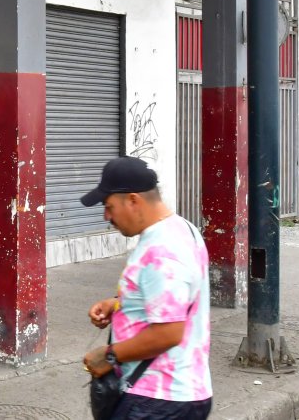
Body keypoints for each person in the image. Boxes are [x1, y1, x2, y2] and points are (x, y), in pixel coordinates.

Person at [80, 157, 212, 419]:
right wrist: (119, 303)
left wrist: (108, 356)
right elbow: (171, 299)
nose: (107, 217)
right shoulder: (181, 228)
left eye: (109, 207)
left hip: (159, 400)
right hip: (167, 394)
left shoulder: (164, 252)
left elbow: (168, 333)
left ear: (133, 200)